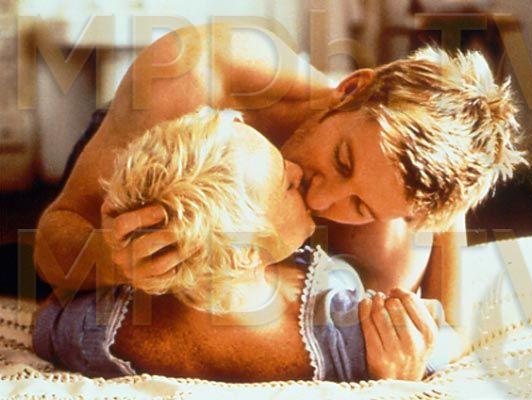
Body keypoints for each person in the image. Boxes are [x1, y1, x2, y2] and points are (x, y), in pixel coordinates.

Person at [33, 22, 525, 351]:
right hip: (154, 158)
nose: (321, 199)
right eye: (342, 160)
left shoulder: (387, 242)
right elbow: (49, 251)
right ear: (350, 89)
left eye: (360, 205)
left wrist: (401, 362)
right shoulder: (193, 75)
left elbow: (448, 333)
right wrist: (111, 258)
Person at [33, 108, 460, 382]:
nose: (298, 174)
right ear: (244, 252)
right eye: (285, 183)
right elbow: (442, 342)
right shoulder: (343, 332)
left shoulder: (97, 330)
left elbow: (47, 320)